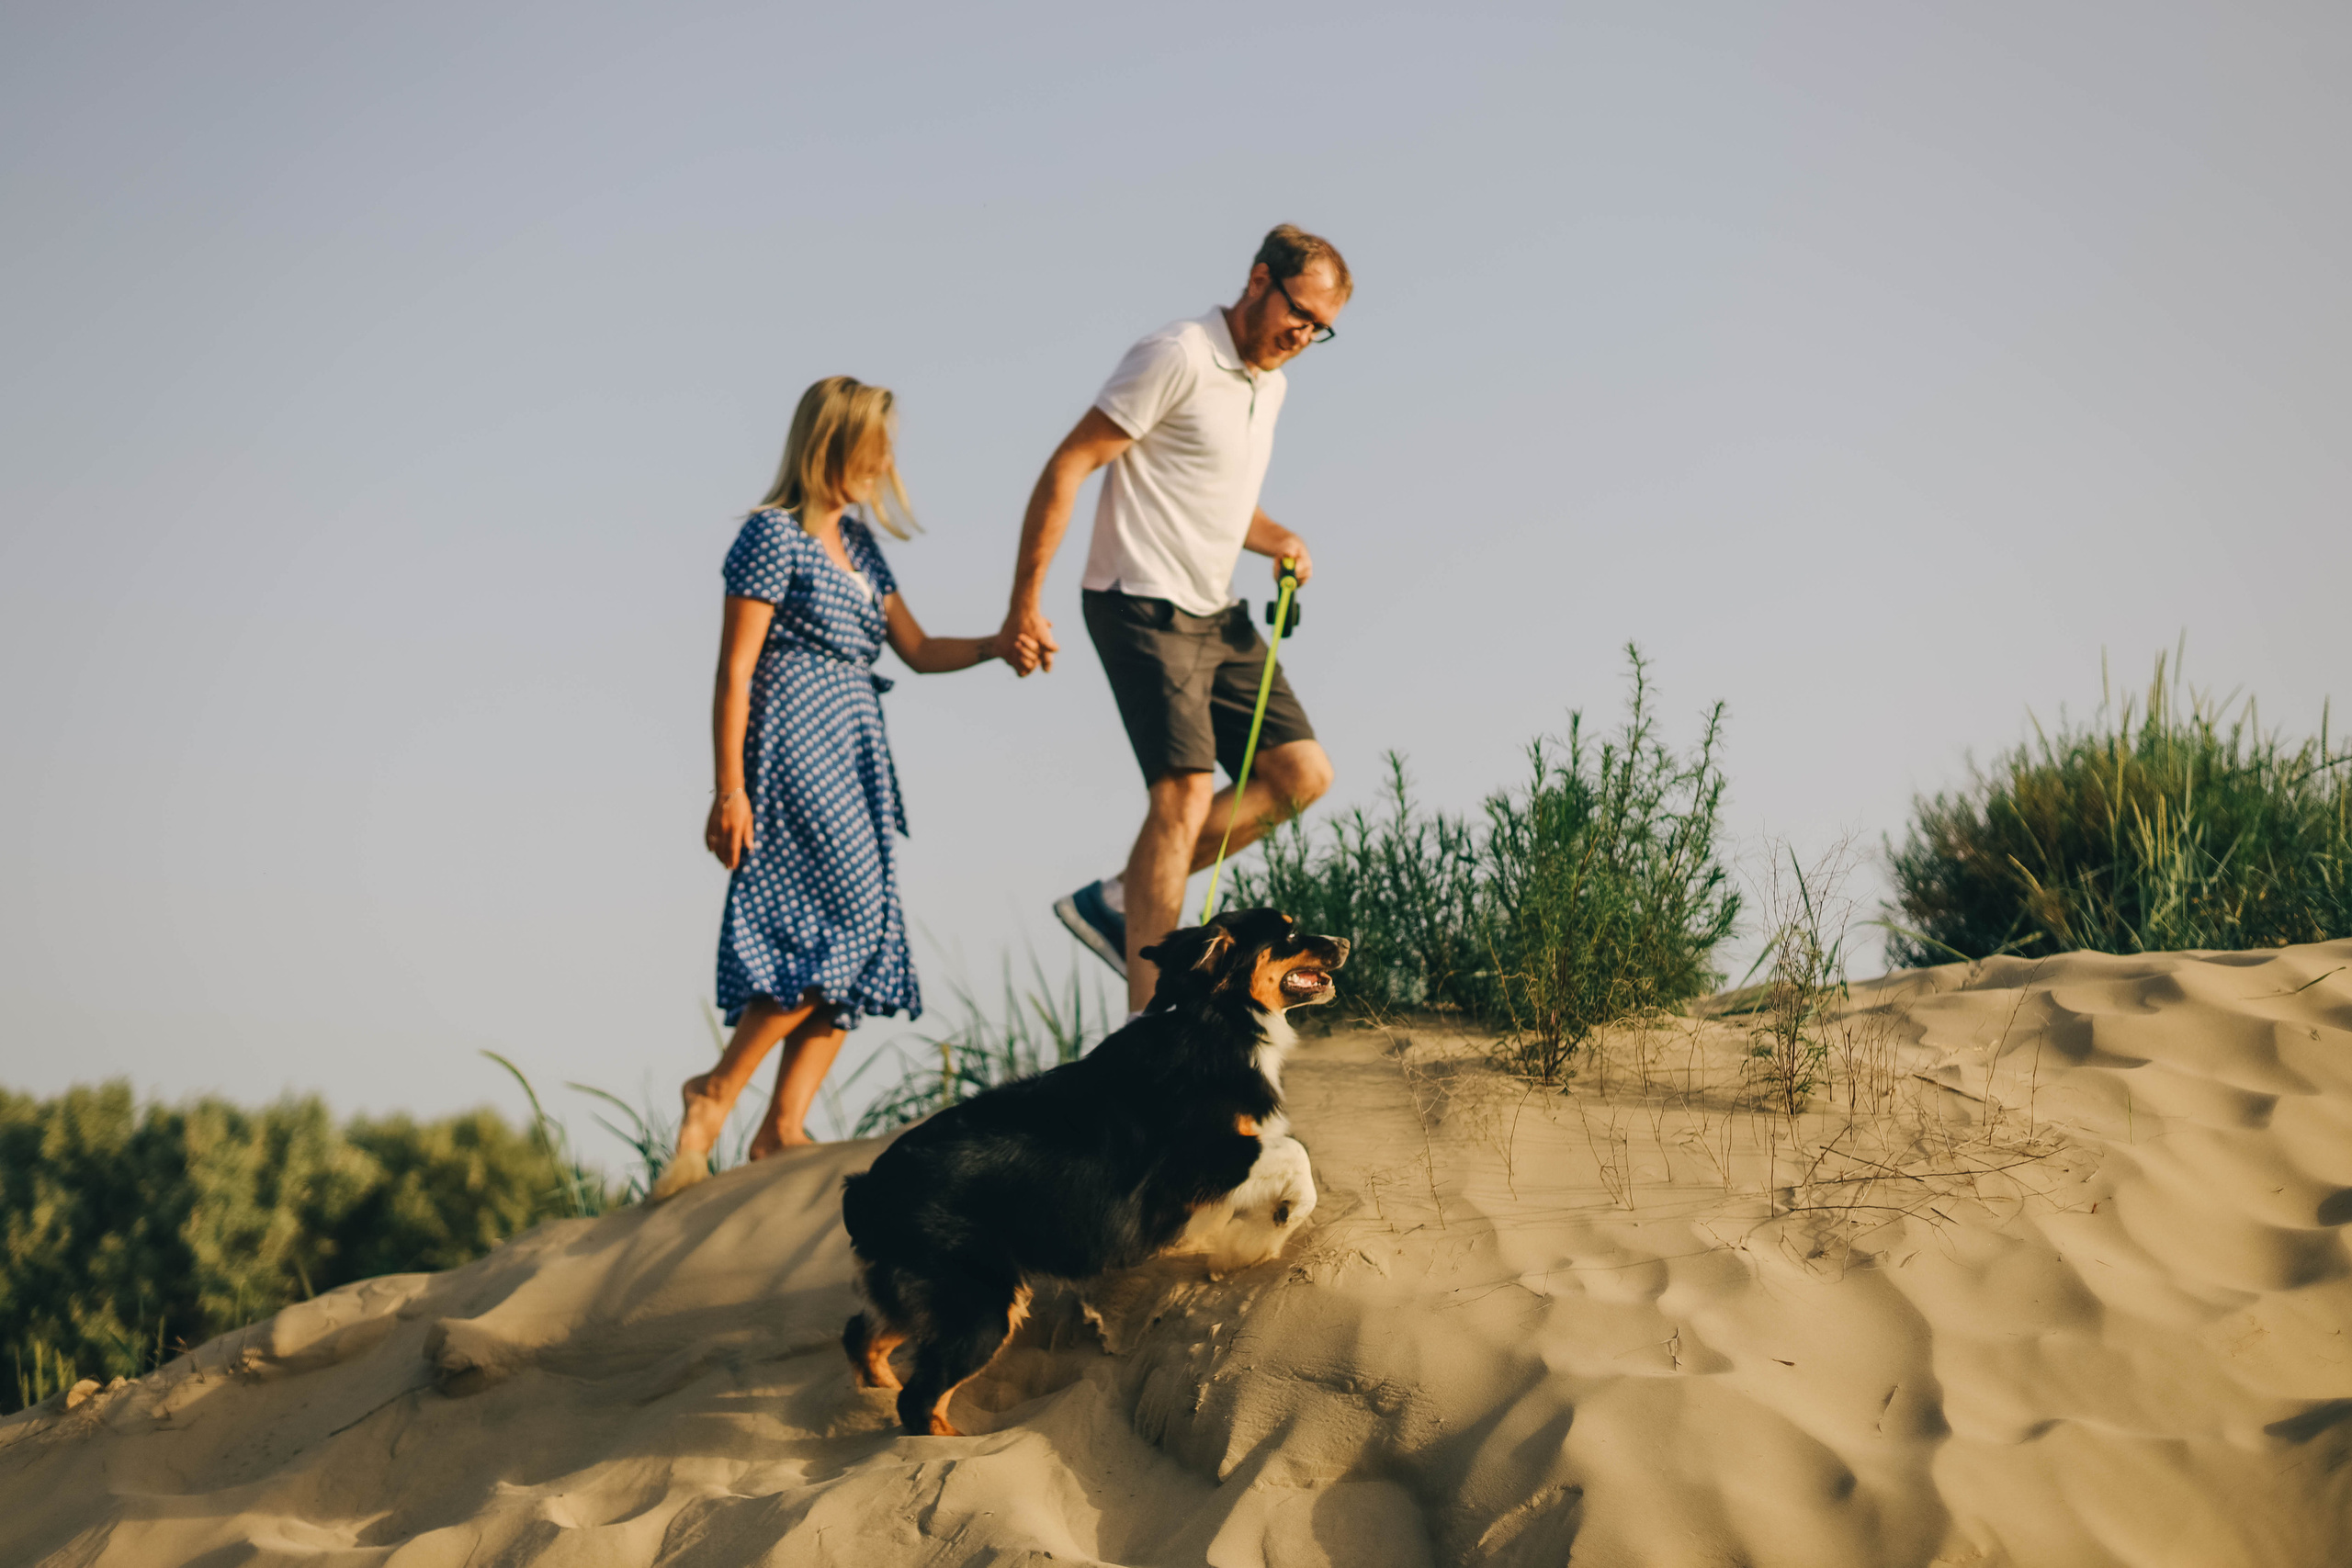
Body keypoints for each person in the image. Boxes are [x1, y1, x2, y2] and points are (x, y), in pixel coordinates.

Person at [654, 376, 1027, 1201]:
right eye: (874, 447)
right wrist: (728, 789)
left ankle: (780, 1124)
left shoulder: (862, 548)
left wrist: (1000, 643)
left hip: (856, 749)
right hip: (792, 746)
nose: (885, 463)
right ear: (833, 445)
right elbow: (735, 670)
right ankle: (716, 1090)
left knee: (863, 934)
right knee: (838, 923)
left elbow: (919, 649)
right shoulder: (771, 537)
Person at [999, 225, 1353, 1015]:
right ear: (1259, 280)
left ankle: (1123, 901)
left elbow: (1219, 495)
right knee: (1185, 793)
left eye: (1321, 329)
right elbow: (1072, 460)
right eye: (1300, 313)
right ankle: (1150, 1014)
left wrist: (1278, 538)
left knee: (1302, 775)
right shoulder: (1178, 354)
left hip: (1215, 609)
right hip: (1138, 599)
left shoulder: (1273, 384)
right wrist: (1025, 602)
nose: (1305, 336)